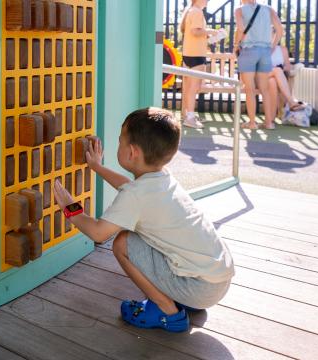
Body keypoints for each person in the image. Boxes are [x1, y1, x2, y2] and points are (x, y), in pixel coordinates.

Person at [52, 107, 235, 332]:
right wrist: (97, 168)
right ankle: (180, 298)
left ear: (132, 152)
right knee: (139, 237)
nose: (117, 145)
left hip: (199, 288)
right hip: (217, 281)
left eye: (120, 142)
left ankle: (168, 311)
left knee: (122, 243)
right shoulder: (162, 178)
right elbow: (128, 188)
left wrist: (69, 208)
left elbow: (98, 233)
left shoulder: (137, 196)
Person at [233, 0, 283, 130]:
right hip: (265, 51)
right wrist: (271, 46)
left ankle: (252, 123)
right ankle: (269, 123)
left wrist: (236, 44)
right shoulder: (269, 9)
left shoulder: (239, 10)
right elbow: (280, 30)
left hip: (248, 50)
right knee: (264, 89)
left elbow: (240, 29)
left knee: (249, 89)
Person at [179, 0, 223, 129]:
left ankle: (188, 115)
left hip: (189, 54)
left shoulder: (191, 11)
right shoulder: (197, 12)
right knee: (194, 88)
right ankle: (190, 118)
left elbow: (196, 34)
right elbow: (196, 31)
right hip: (196, 55)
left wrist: (209, 36)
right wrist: (213, 32)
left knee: (189, 88)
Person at [268, 44, 305, 116]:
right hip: (263, 76)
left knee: (274, 80)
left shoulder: (283, 49)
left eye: (273, 33)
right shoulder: (260, 47)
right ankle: (291, 102)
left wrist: (280, 67)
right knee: (277, 71)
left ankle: (273, 117)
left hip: (276, 78)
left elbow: (287, 67)